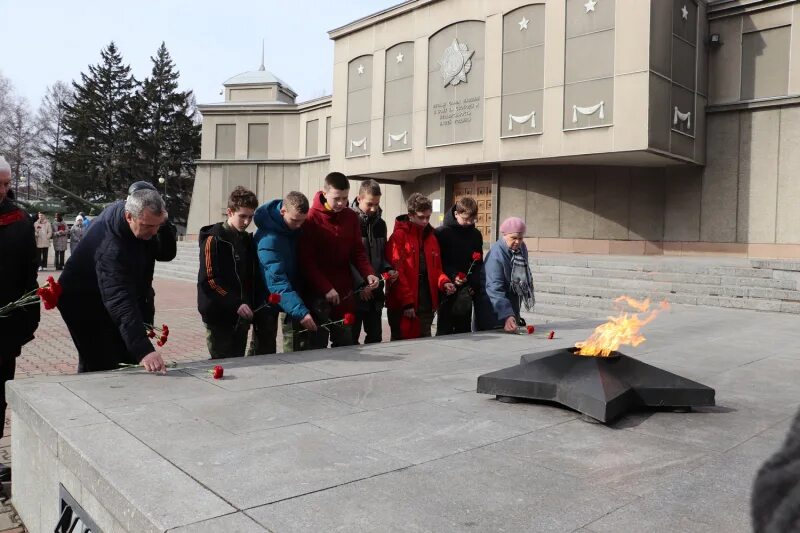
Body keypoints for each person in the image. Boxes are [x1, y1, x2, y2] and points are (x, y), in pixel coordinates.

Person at [57, 183, 176, 373]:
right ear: (129, 217)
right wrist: (144, 350)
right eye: (149, 226)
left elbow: (166, 253)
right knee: (102, 361)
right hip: (84, 302)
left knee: (126, 354)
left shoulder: (143, 221)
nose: (154, 233)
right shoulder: (110, 246)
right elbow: (119, 299)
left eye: (158, 226)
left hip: (115, 294)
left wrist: (164, 224)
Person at [298, 172, 379, 349]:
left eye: (345, 198)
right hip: (317, 293)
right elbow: (307, 261)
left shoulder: (350, 217)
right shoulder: (311, 218)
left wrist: (369, 273)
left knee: (345, 343)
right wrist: (325, 288)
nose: (342, 203)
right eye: (337, 198)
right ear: (324, 193)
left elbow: (357, 251)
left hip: (344, 293)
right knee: (316, 346)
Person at [197, 186, 276, 358]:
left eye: (251, 217)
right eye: (242, 216)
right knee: (223, 362)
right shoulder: (213, 239)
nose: (247, 222)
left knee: (239, 363)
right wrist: (235, 303)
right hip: (219, 315)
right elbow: (209, 280)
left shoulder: (246, 240)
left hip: (242, 314)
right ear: (229, 212)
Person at [0, 156, 39, 482]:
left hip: (5, 328)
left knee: (0, 396)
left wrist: (28, 320)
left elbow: (30, 277)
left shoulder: (19, 221)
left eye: (6, 184)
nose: (2, 190)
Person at [385, 193, 456, 340]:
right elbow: (398, 273)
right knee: (402, 346)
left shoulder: (431, 237)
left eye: (428, 217)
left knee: (424, 345)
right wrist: (407, 303)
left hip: (426, 304)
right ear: (411, 215)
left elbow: (436, 269)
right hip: (403, 305)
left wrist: (444, 282)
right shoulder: (399, 237)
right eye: (421, 217)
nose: (425, 221)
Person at [254, 191, 318, 352]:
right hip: (269, 299)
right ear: (283, 211)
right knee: (264, 350)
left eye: (302, 221)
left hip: (291, 295)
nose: (298, 225)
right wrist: (301, 312)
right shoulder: (268, 239)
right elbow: (276, 281)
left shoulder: (294, 231)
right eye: (295, 220)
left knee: (294, 347)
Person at [350, 179, 396, 344]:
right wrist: (360, 285)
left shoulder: (380, 224)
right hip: (354, 292)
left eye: (376, 204)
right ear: (359, 198)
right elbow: (347, 258)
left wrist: (388, 268)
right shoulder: (349, 221)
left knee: (375, 337)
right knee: (350, 339)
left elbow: (382, 254)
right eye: (370, 204)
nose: (374, 209)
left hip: (376, 291)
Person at [434, 197, 484, 335]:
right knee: (444, 330)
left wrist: (474, 284)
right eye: (465, 218)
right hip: (447, 287)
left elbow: (478, 262)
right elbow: (438, 262)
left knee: (464, 331)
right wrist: (452, 275)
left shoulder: (475, 235)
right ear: (456, 214)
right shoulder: (442, 233)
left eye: (472, 219)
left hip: (466, 290)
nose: (468, 223)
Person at [484, 217, 535, 333]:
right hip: (494, 308)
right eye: (514, 238)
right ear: (505, 236)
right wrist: (507, 314)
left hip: (511, 307)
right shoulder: (496, 255)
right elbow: (494, 287)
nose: (517, 241)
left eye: (520, 238)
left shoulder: (521, 248)